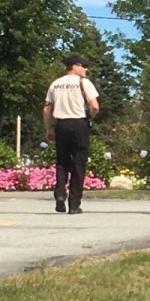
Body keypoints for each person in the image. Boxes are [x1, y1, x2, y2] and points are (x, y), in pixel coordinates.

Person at [42, 54, 100, 215]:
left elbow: (46, 109)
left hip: (61, 125)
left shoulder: (56, 84)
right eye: (84, 66)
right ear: (74, 66)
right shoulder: (83, 83)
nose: (86, 69)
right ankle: (74, 204)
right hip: (79, 125)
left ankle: (60, 194)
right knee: (79, 164)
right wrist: (89, 117)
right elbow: (94, 106)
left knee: (62, 162)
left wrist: (48, 129)